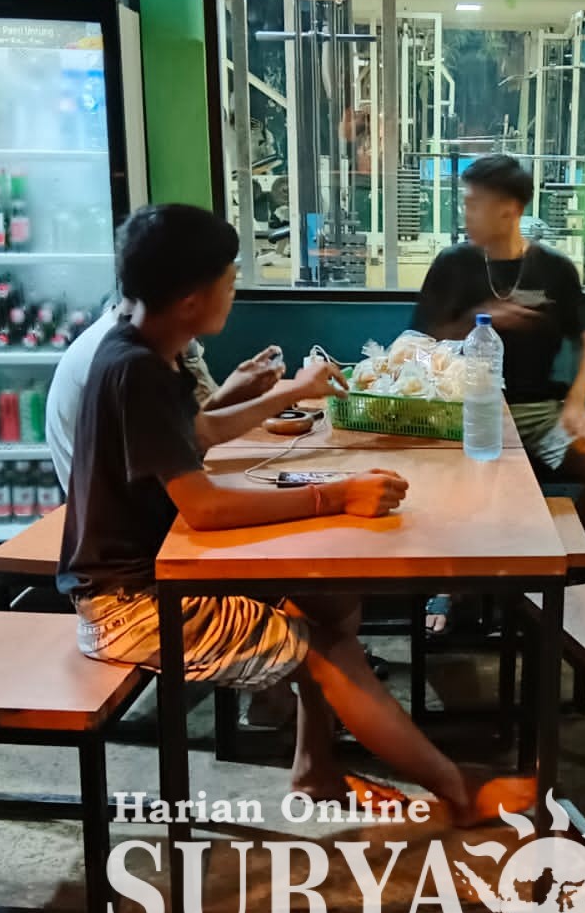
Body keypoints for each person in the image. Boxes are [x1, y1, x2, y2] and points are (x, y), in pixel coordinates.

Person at [58, 204, 533, 823]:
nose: (234, 289)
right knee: (324, 651)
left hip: (161, 572)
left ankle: (315, 770)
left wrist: (290, 392)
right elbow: (203, 507)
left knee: (332, 601)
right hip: (131, 605)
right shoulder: (135, 369)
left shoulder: (146, 348)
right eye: (230, 279)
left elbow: (200, 433)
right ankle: (459, 793)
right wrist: (333, 496)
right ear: (193, 300)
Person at [412, 156, 585, 532]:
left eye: (474, 204)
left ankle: (566, 553)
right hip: (464, 413)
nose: (465, 213)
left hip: (539, 413)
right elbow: (419, 345)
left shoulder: (555, 268)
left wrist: (576, 403)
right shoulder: (452, 265)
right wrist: (477, 319)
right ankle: (475, 567)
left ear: (509, 210)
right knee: (462, 491)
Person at [47, 298, 286, 491]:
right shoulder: (136, 363)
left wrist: (234, 393)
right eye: (228, 283)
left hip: (136, 497)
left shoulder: (139, 335)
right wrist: (292, 394)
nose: (231, 298)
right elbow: (199, 447)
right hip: (130, 519)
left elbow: (185, 429)